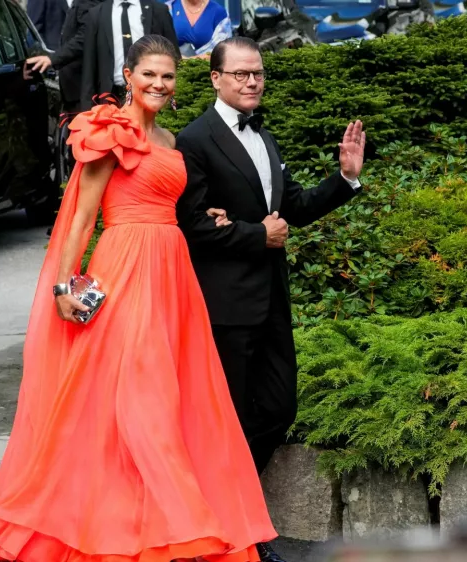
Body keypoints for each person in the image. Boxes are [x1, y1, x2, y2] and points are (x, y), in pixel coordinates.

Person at [0, 35, 276, 562]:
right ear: (128, 74)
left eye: (168, 76)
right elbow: (80, 218)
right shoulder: (108, 132)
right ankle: (135, 524)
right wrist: (63, 285)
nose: (159, 85)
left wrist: (212, 215)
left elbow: (179, 204)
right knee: (135, 395)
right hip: (124, 269)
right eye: (149, 74)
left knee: (170, 399)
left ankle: (156, 520)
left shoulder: (170, 140)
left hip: (173, 273)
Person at [175, 36, 367, 562]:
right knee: (229, 422)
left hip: (272, 304)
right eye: (240, 74)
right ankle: (241, 538)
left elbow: (294, 208)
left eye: (257, 73)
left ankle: (222, 510)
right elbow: (189, 227)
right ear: (215, 78)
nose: (252, 81)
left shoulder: (266, 136)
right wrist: (255, 236)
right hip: (224, 307)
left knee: (279, 408)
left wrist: (346, 178)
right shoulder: (194, 140)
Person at [79, 0, 179, 108]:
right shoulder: (97, 13)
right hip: (110, 96)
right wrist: (86, 106)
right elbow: (89, 63)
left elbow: (173, 55)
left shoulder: (159, 10)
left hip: (153, 92)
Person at [165, 0, 231, 59]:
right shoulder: (168, 8)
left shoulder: (219, 12)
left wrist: (189, 61)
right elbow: (160, 45)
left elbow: (222, 51)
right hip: (172, 66)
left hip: (207, 67)